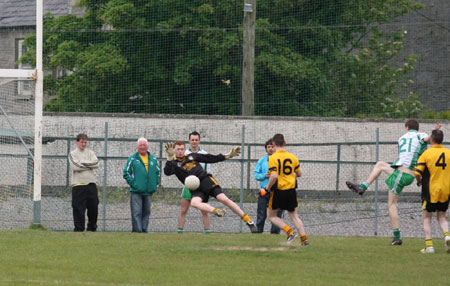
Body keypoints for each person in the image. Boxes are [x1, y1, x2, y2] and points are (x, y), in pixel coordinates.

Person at [346, 119, 440, 245]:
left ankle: (397, 237)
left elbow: (404, 156)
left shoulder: (401, 138)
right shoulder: (421, 135)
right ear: (417, 128)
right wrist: (436, 130)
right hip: (408, 174)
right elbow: (429, 138)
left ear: (406, 127)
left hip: (402, 174)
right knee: (380, 165)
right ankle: (362, 187)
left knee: (391, 205)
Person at [163, 141, 258, 233]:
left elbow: (210, 158)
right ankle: (216, 211)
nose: (180, 151)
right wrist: (169, 157)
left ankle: (248, 221)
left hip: (206, 181)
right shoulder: (173, 163)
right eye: (178, 149)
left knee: (223, 199)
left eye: (182, 149)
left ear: (184, 149)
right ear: (174, 150)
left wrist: (226, 156)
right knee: (194, 203)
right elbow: (167, 172)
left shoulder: (192, 156)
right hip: (195, 188)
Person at [262, 134, 309, 245]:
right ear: (285, 143)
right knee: (294, 216)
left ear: (273, 144)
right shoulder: (293, 157)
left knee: (271, 216)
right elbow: (299, 174)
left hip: (279, 190)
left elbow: (274, 176)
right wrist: (287, 175)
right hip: (291, 191)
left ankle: (290, 232)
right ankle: (304, 240)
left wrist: (266, 188)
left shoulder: (273, 157)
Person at [413, 129, 450, 254]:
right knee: (442, 217)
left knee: (427, 218)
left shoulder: (426, 154)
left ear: (432, 139)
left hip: (430, 191)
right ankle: (447, 236)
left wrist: (419, 181)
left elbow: (417, 173)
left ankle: (429, 246)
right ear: (442, 140)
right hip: (445, 190)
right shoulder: (448, 153)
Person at [123, 138, 160, 233]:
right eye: (140, 145)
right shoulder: (133, 158)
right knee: (136, 212)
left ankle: (144, 230)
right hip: (136, 191)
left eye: (144, 145)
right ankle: (137, 231)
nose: (142, 147)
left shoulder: (153, 159)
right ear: (137, 147)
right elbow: (126, 173)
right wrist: (134, 184)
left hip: (149, 190)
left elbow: (158, 172)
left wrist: (155, 184)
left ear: (147, 146)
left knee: (146, 212)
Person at [177, 131, 211, 234]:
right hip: (188, 185)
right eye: (192, 140)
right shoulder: (184, 154)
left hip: (201, 187)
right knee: (183, 210)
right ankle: (179, 233)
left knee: (204, 211)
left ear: (199, 141)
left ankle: (207, 233)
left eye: (196, 140)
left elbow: (208, 171)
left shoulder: (205, 154)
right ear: (189, 141)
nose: (194, 142)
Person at [68, 133, 100, 232]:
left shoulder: (90, 153)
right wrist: (89, 164)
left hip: (91, 184)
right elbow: (75, 166)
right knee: (78, 209)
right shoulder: (72, 154)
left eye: (85, 142)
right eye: (82, 142)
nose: (84, 144)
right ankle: (79, 228)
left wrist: (82, 162)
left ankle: (92, 227)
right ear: (77, 142)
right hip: (78, 185)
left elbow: (96, 163)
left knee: (93, 207)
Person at [254, 139, 283, 234]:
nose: (270, 149)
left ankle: (275, 233)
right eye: (268, 147)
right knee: (261, 213)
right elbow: (256, 175)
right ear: (266, 149)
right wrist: (264, 176)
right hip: (264, 191)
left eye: (272, 146)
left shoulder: (281, 160)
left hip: (278, 191)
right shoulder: (262, 161)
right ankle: (258, 232)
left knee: (277, 214)